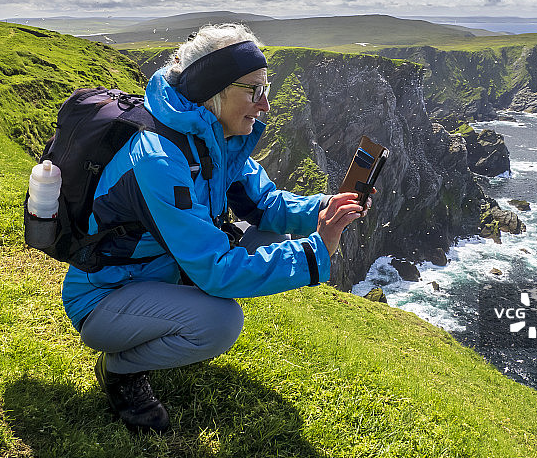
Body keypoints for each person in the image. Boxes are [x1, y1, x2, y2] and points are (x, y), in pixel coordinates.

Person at [61, 23, 371, 433]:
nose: (264, 105)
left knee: (272, 231)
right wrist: (317, 251)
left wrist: (326, 207)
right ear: (215, 90)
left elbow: (265, 205)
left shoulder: (215, 137)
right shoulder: (160, 159)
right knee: (219, 324)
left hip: (165, 271)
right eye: (253, 91)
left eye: (267, 89)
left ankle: (161, 329)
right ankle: (120, 370)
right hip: (106, 297)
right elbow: (216, 270)